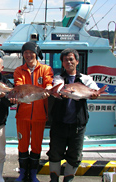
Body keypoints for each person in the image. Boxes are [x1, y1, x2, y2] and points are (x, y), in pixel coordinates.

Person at [47, 48, 100, 182]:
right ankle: (54, 180)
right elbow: (58, 89)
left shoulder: (86, 79)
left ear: (77, 61)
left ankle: (68, 180)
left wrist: (94, 94)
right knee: (54, 153)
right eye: (65, 60)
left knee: (75, 155)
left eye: (71, 59)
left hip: (78, 125)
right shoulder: (58, 78)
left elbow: (95, 92)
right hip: (59, 124)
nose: (69, 62)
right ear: (62, 63)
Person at [9, 42, 54, 182]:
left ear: (36, 53)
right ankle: (22, 174)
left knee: (36, 144)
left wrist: (48, 88)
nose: (28, 55)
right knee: (22, 144)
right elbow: (20, 86)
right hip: (22, 115)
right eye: (25, 52)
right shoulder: (18, 70)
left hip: (40, 115)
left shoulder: (46, 69)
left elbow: (48, 81)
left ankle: (33, 174)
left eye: (31, 52)